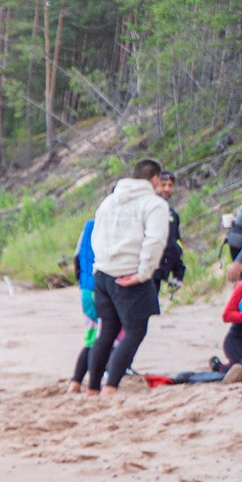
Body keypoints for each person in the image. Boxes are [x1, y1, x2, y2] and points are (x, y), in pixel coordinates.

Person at [87, 158, 177, 394]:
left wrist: (101, 265)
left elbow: (96, 235)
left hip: (103, 274)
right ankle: (111, 387)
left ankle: (92, 389)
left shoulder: (109, 201)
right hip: (129, 274)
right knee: (135, 331)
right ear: (155, 178)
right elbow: (155, 241)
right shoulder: (154, 204)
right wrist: (143, 273)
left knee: (107, 333)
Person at [68, 214, 100, 392]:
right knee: (107, 338)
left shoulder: (88, 226)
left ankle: (76, 382)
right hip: (104, 289)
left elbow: (77, 257)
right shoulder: (113, 226)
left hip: (86, 290)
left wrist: (82, 283)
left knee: (91, 338)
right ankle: (98, 382)